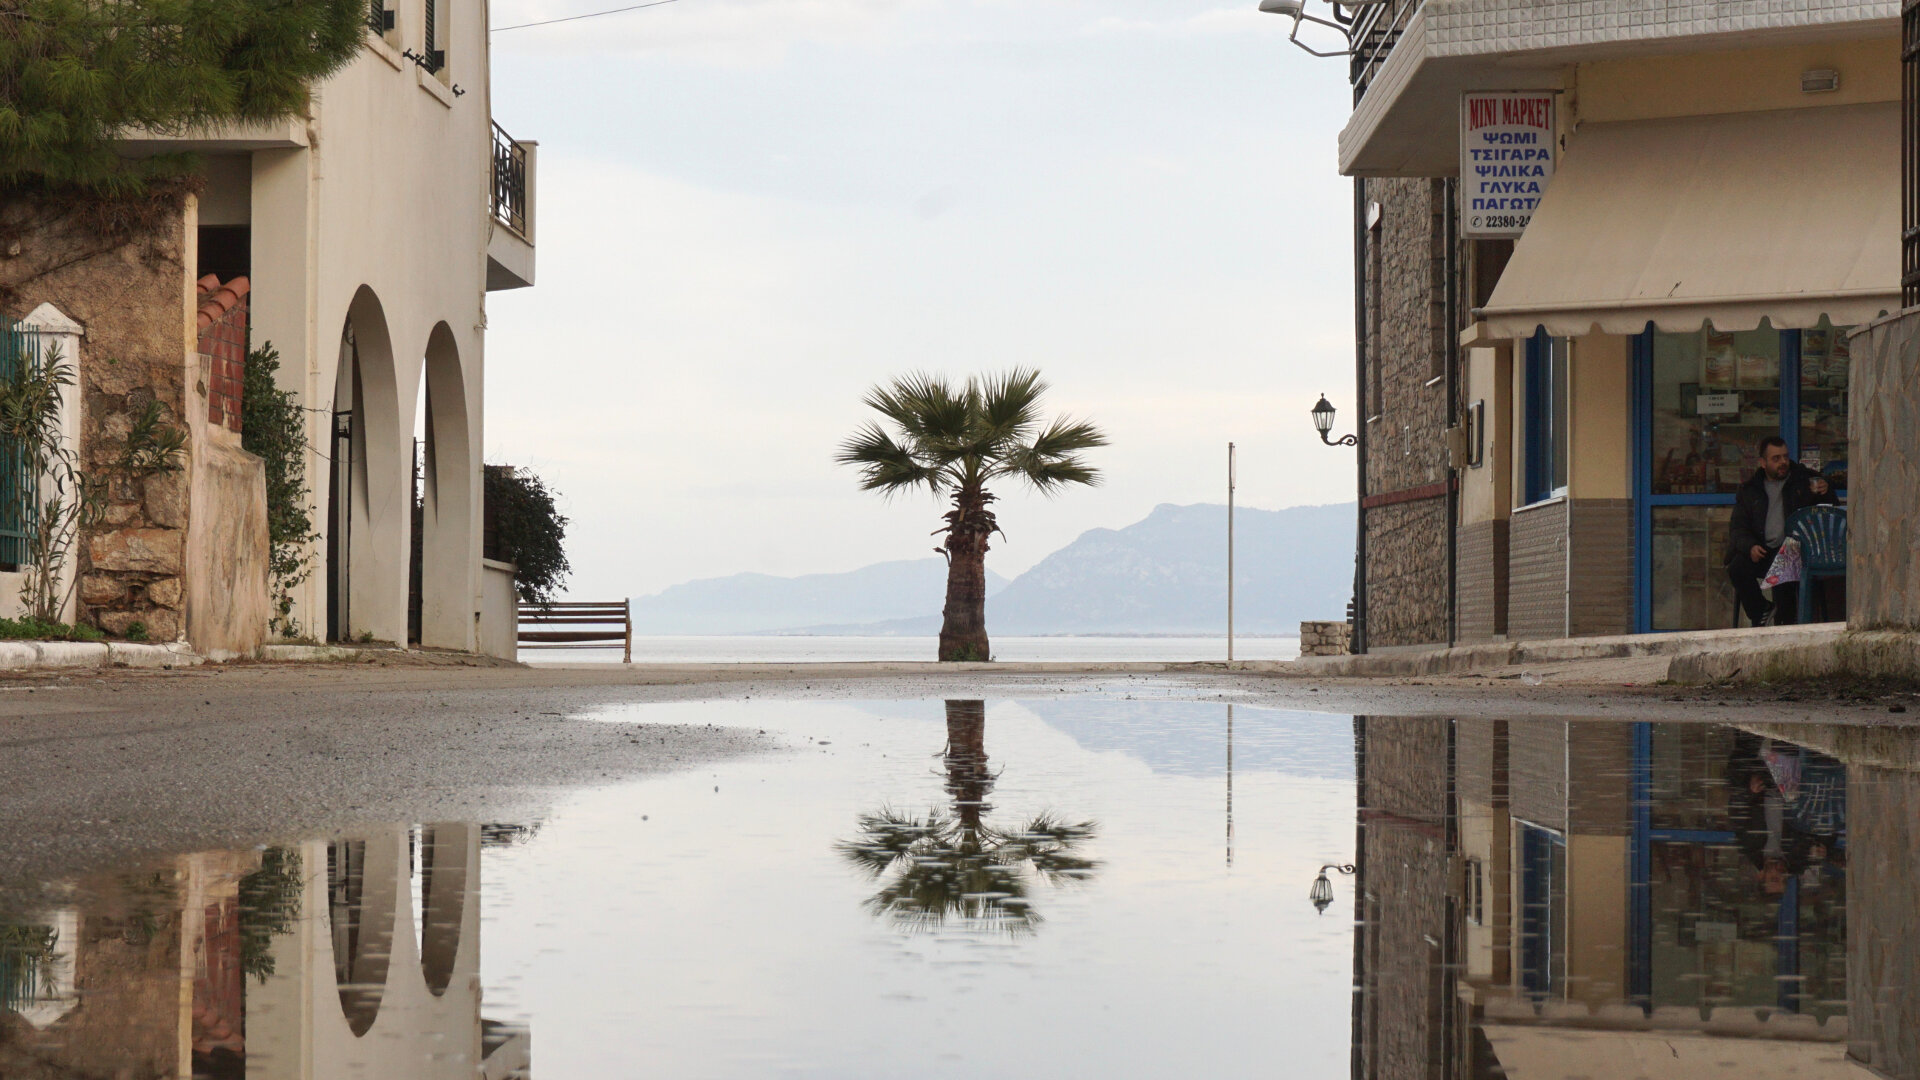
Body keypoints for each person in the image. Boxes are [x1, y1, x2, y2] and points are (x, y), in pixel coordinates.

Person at [1726, 435, 1834, 626]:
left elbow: (1827, 508)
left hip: (1793, 552)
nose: (1783, 462)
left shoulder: (1803, 479)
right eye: (1776, 459)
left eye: (1785, 457)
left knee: (1784, 571)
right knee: (1737, 567)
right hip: (1763, 550)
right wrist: (1750, 546)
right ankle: (1761, 611)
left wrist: (1827, 488)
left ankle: (1784, 623)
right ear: (1763, 463)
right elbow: (1737, 528)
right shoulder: (1750, 490)